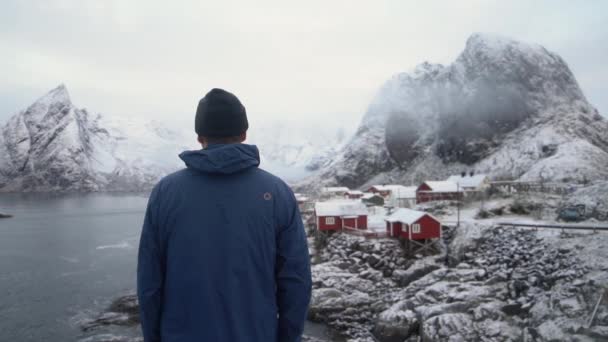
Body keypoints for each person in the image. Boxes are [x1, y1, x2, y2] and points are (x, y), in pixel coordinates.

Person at [137, 88, 312, 342]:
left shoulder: (165, 192)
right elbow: (296, 282)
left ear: (199, 136)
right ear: (243, 133)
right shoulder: (277, 193)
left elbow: (149, 283)